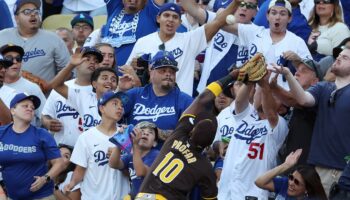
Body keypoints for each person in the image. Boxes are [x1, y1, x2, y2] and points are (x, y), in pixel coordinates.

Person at [136, 55, 265, 199]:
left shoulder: (178, 135)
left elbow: (202, 98)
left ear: (192, 131)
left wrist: (230, 77)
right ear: (209, 144)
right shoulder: (205, 167)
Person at [270, 46, 350, 196]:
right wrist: (288, 74)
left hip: (343, 169)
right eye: (339, 55)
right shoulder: (323, 87)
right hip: (318, 168)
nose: (338, 58)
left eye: (345, 58)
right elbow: (303, 99)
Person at [127, 1, 238, 96]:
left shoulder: (189, 40)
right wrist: (133, 68)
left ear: (180, 22)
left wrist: (236, 3)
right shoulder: (143, 42)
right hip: (149, 103)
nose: (170, 19)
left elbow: (218, 22)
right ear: (158, 18)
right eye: (166, 15)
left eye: (175, 17)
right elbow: (127, 71)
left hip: (180, 103)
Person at [224, 0, 311, 89]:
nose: (277, 17)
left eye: (282, 14)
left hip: (280, 96)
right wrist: (226, 8)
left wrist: (298, 61)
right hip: (250, 93)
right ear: (267, 16)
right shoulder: (254, 32)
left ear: (289, 18)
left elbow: (311, 73)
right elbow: (221, 24)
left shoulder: (297, 42)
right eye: (273, 13)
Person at [180, 0, 258, 93]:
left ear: (255, 13)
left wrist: (220, 18)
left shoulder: (257, 33)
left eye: (249, 6)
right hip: (206, 91)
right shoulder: (219, 19)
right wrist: (220, 17)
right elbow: (189, 7)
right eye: (240, 4)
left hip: (233, 98)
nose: (244, 8)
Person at [63, 91, 130, 199]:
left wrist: (117, 157)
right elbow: (80, 170)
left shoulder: (126, 134)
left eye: (122, 105)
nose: (120, 107)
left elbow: (131, 172)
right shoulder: (86, 137)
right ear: (102, 108)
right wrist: (72, 183)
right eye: (115, 103)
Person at [0, 93, 64, 200]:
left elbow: (59, 163)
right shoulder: (2, 133)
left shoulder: (42, 134)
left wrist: (45, 178)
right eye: (25, 106)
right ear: (13, 111)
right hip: (12, 196)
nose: (30, 109)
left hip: (42, 196)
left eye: (32, 108)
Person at [123, 50, 193, 145]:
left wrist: (159, 133)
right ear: (151, 71)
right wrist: (120, 90)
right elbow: (108, 114)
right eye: (163, 70)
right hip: (134, 156)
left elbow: (192, 135)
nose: (168, 74)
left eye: (172, 71)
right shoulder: (134, 94)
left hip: (168, 157)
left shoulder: (185, 101)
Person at [41, 47, 101, 146]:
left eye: (96, 61)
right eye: (87, 59)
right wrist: (47, 122)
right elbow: (45, 114)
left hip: (90, 148)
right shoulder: (61, 87)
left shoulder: (100, 90)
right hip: (62, 149)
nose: (92, 62)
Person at [0, 0, 70, 82]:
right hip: (7, 93)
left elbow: (68, 71)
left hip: (43, 93)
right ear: (16, 18)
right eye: (27, 12)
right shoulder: (2, 36)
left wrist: (50, 87)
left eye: (36, 11)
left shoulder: (54, 38)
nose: (33, 14)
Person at [270, 58, 324, 166]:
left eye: (304, 71)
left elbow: (293, 100)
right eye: (297, 70)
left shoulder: (318, 98)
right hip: (286, 160)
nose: (297, 73)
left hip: (304, 166)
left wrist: (273, 87)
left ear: (315, 82)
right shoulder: (290, 98)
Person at [50, 47, 117, 131]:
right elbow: (56, 85)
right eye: (87, 59)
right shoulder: (84, 98)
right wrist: (71, 65)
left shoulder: (120, 100)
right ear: (94, 83)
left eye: (113, 80)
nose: (92, 62)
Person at [109, 121, 160, 199]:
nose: (146, 133)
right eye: (142, 131)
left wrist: (135, 144)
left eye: (150, 133)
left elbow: (140, 172)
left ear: (154, 143)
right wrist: (120, 141)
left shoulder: (156, 154)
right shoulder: (130, 156)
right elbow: (113, 164)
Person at [1, 44, 46, 127]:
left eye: (18, 59)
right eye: (9, 59)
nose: (15, 62)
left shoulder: (32, 87)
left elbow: (45, 116)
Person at [255, 149, 328, 199]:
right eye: (291, 177)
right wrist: (286, 165)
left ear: (307, 189)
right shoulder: (285, 183)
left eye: (297, 182)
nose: (291, 183)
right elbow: (259, 182)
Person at [0, 54, 13, 125]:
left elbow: (7, 124)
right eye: (0, 67)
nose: (4, 70)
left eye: (5, 67)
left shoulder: (13, 94)